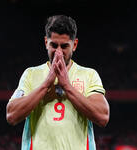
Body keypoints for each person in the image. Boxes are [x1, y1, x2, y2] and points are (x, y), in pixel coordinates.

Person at [6, 14, 110, 150]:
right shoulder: (31, 74)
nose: (58, 52)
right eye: (54, 45)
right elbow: (11, 115)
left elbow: (102, 117)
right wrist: (45, 85)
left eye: (64, 46)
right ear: (45, 43)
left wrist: (67, 86)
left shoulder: (89, 74)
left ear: (75, 45)